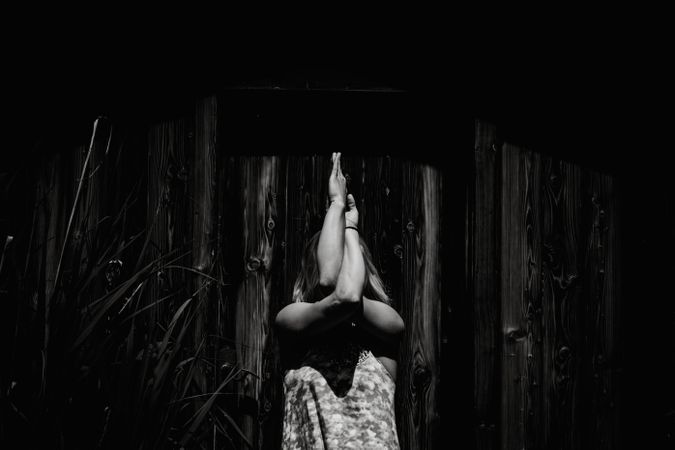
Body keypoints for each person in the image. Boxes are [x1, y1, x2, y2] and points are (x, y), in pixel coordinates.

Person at [275, 152, 405, 449]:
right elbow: (331, 284)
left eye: (352, 261)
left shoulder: (387, 329)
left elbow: (346, 296)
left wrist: (349, 228)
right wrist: (337, 207)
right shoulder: (292, 322)